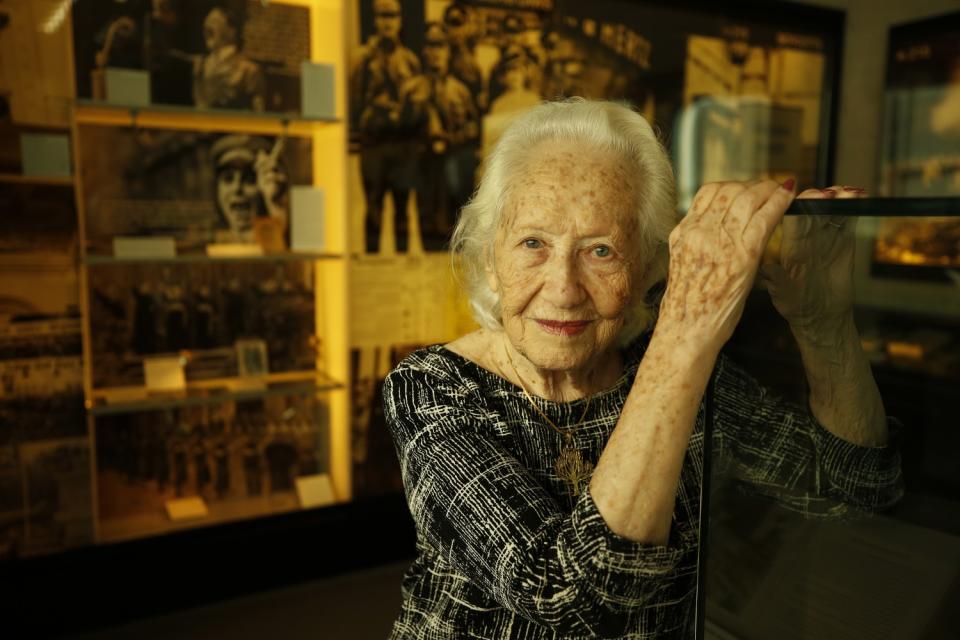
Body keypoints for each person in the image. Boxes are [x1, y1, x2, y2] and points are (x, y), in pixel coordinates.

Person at [383, 99, 903, 638]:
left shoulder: (670, 370)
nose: (563, 289)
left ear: (651, 265)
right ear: (490, 258)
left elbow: (854, 495)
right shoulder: (431, 389)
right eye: (533, 243)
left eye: (601, 250)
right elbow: (569, 601)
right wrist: (687, 325)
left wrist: (821, 321)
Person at [399, 22, 480, 251]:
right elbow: (400, 129)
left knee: (454, 230)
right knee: (426, 226)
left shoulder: (460, 91)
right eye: (430, 46)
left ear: (448, 51)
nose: (435, 53)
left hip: (452, 169)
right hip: (423, 166)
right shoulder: (412, 89)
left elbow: (474, 129)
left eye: (440, 46)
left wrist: (453, 138)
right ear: (423, 51)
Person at [350, 0, 421, 252]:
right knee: (373, 209)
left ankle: (400, 272)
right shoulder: (363, 58)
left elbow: (418, 104)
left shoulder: (410, 60)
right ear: (375, 21)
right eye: (382, 16)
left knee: (402, 211)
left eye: (392, 16)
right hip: (374, 144)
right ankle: (372, 265)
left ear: (400, 20)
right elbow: (354, 99)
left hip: (402, 145)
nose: (387, 22)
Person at [210, 134, 288, 249]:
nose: (237, 188)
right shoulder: (208, 239)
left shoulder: (270, 238)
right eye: (228, 179)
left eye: (249, 180)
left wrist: (274, 204)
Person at [192, 6, 265, 111]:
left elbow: (258, 114)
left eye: (214, 21)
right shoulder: (200, 65)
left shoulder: (249, 70)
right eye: (206, 22)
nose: (206, 25)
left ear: (232, 31)